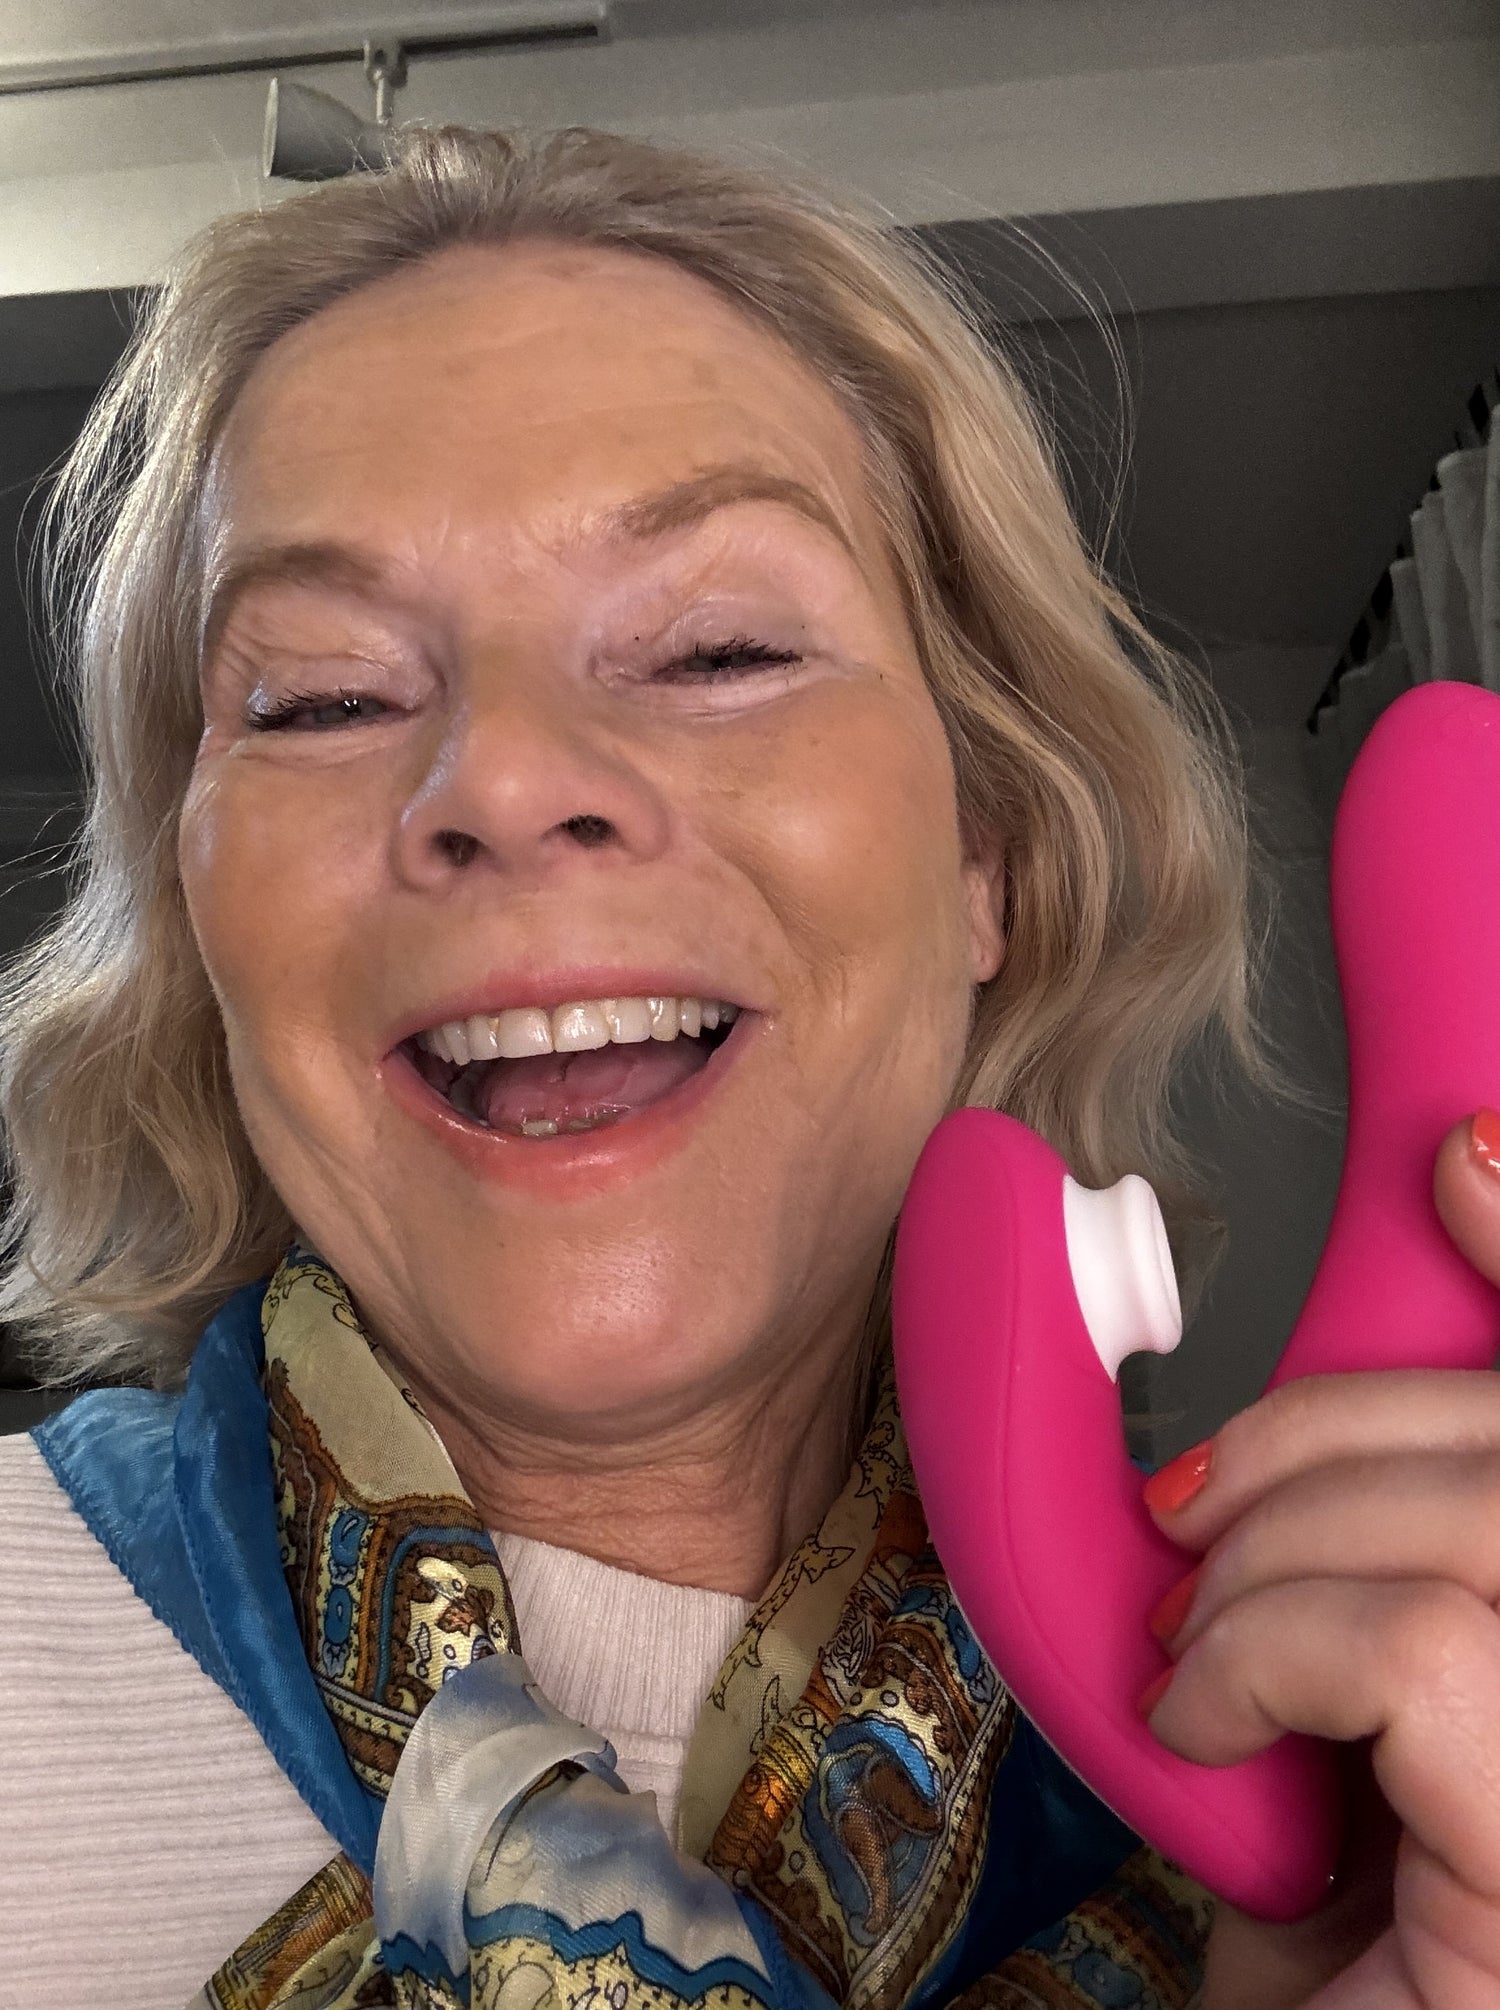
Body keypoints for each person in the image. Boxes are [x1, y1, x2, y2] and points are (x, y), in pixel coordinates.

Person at [1, 123, 1498, 2010]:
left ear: (989, 860)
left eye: (717, 648)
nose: (510, 783)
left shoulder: (1355, 1789)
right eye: (323, 695)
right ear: (204, 935)